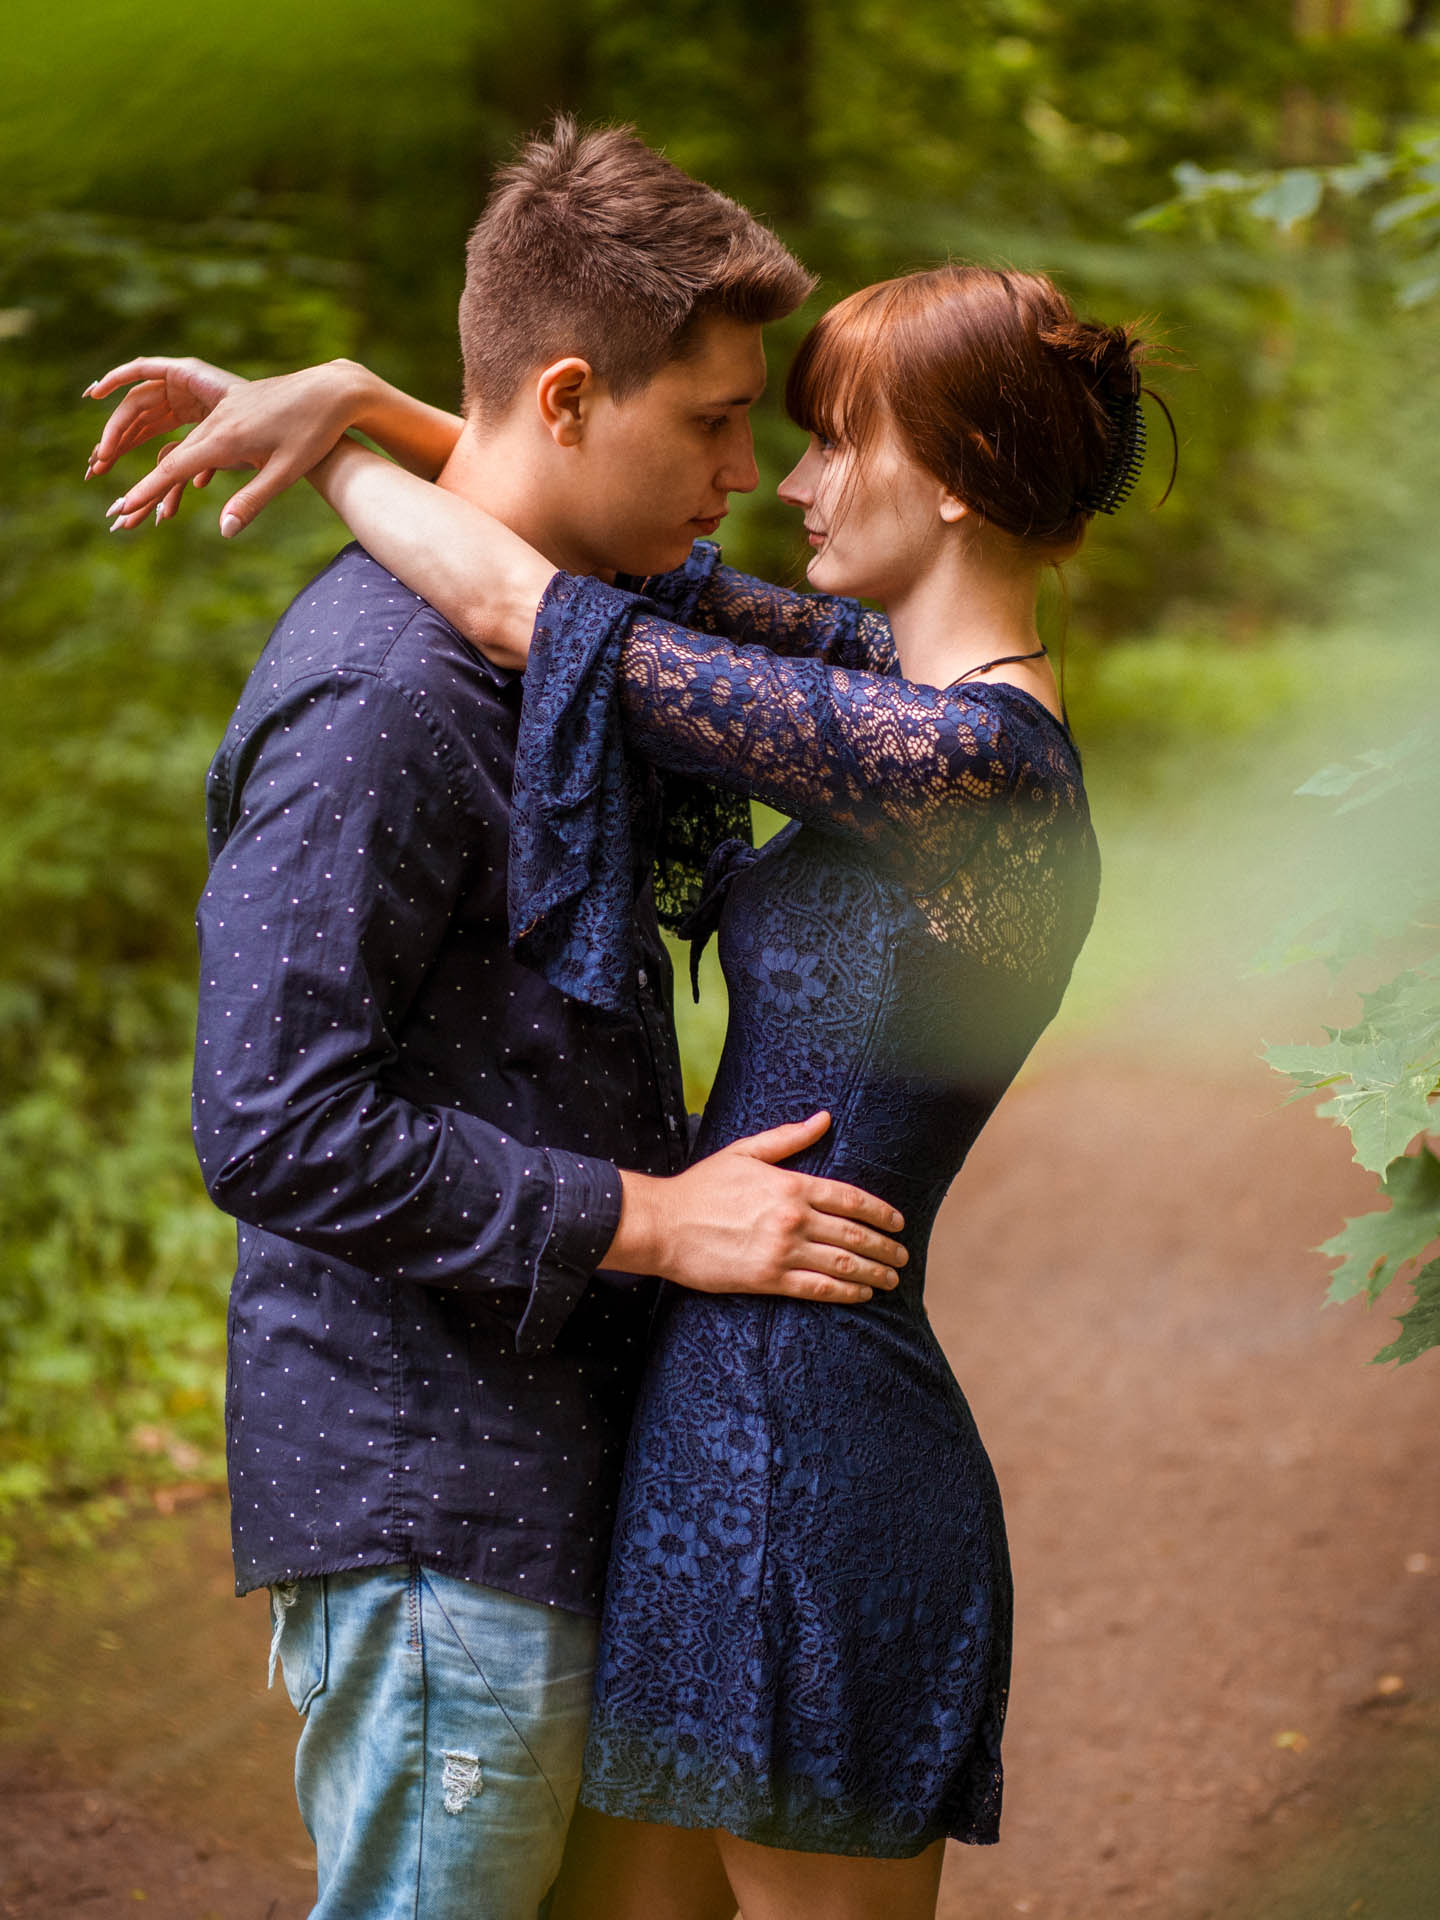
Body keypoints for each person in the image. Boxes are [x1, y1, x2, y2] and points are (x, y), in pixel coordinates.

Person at [93, 264, 1159, 1916]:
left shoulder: (970, 769)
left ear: (954, 479)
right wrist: (366, 399)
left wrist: (330, 440)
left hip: (813, 1434)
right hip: (700, 1410)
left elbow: (540, 619)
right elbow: (582, 541)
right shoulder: (875, 683)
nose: (786, 481)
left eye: (832, 442)